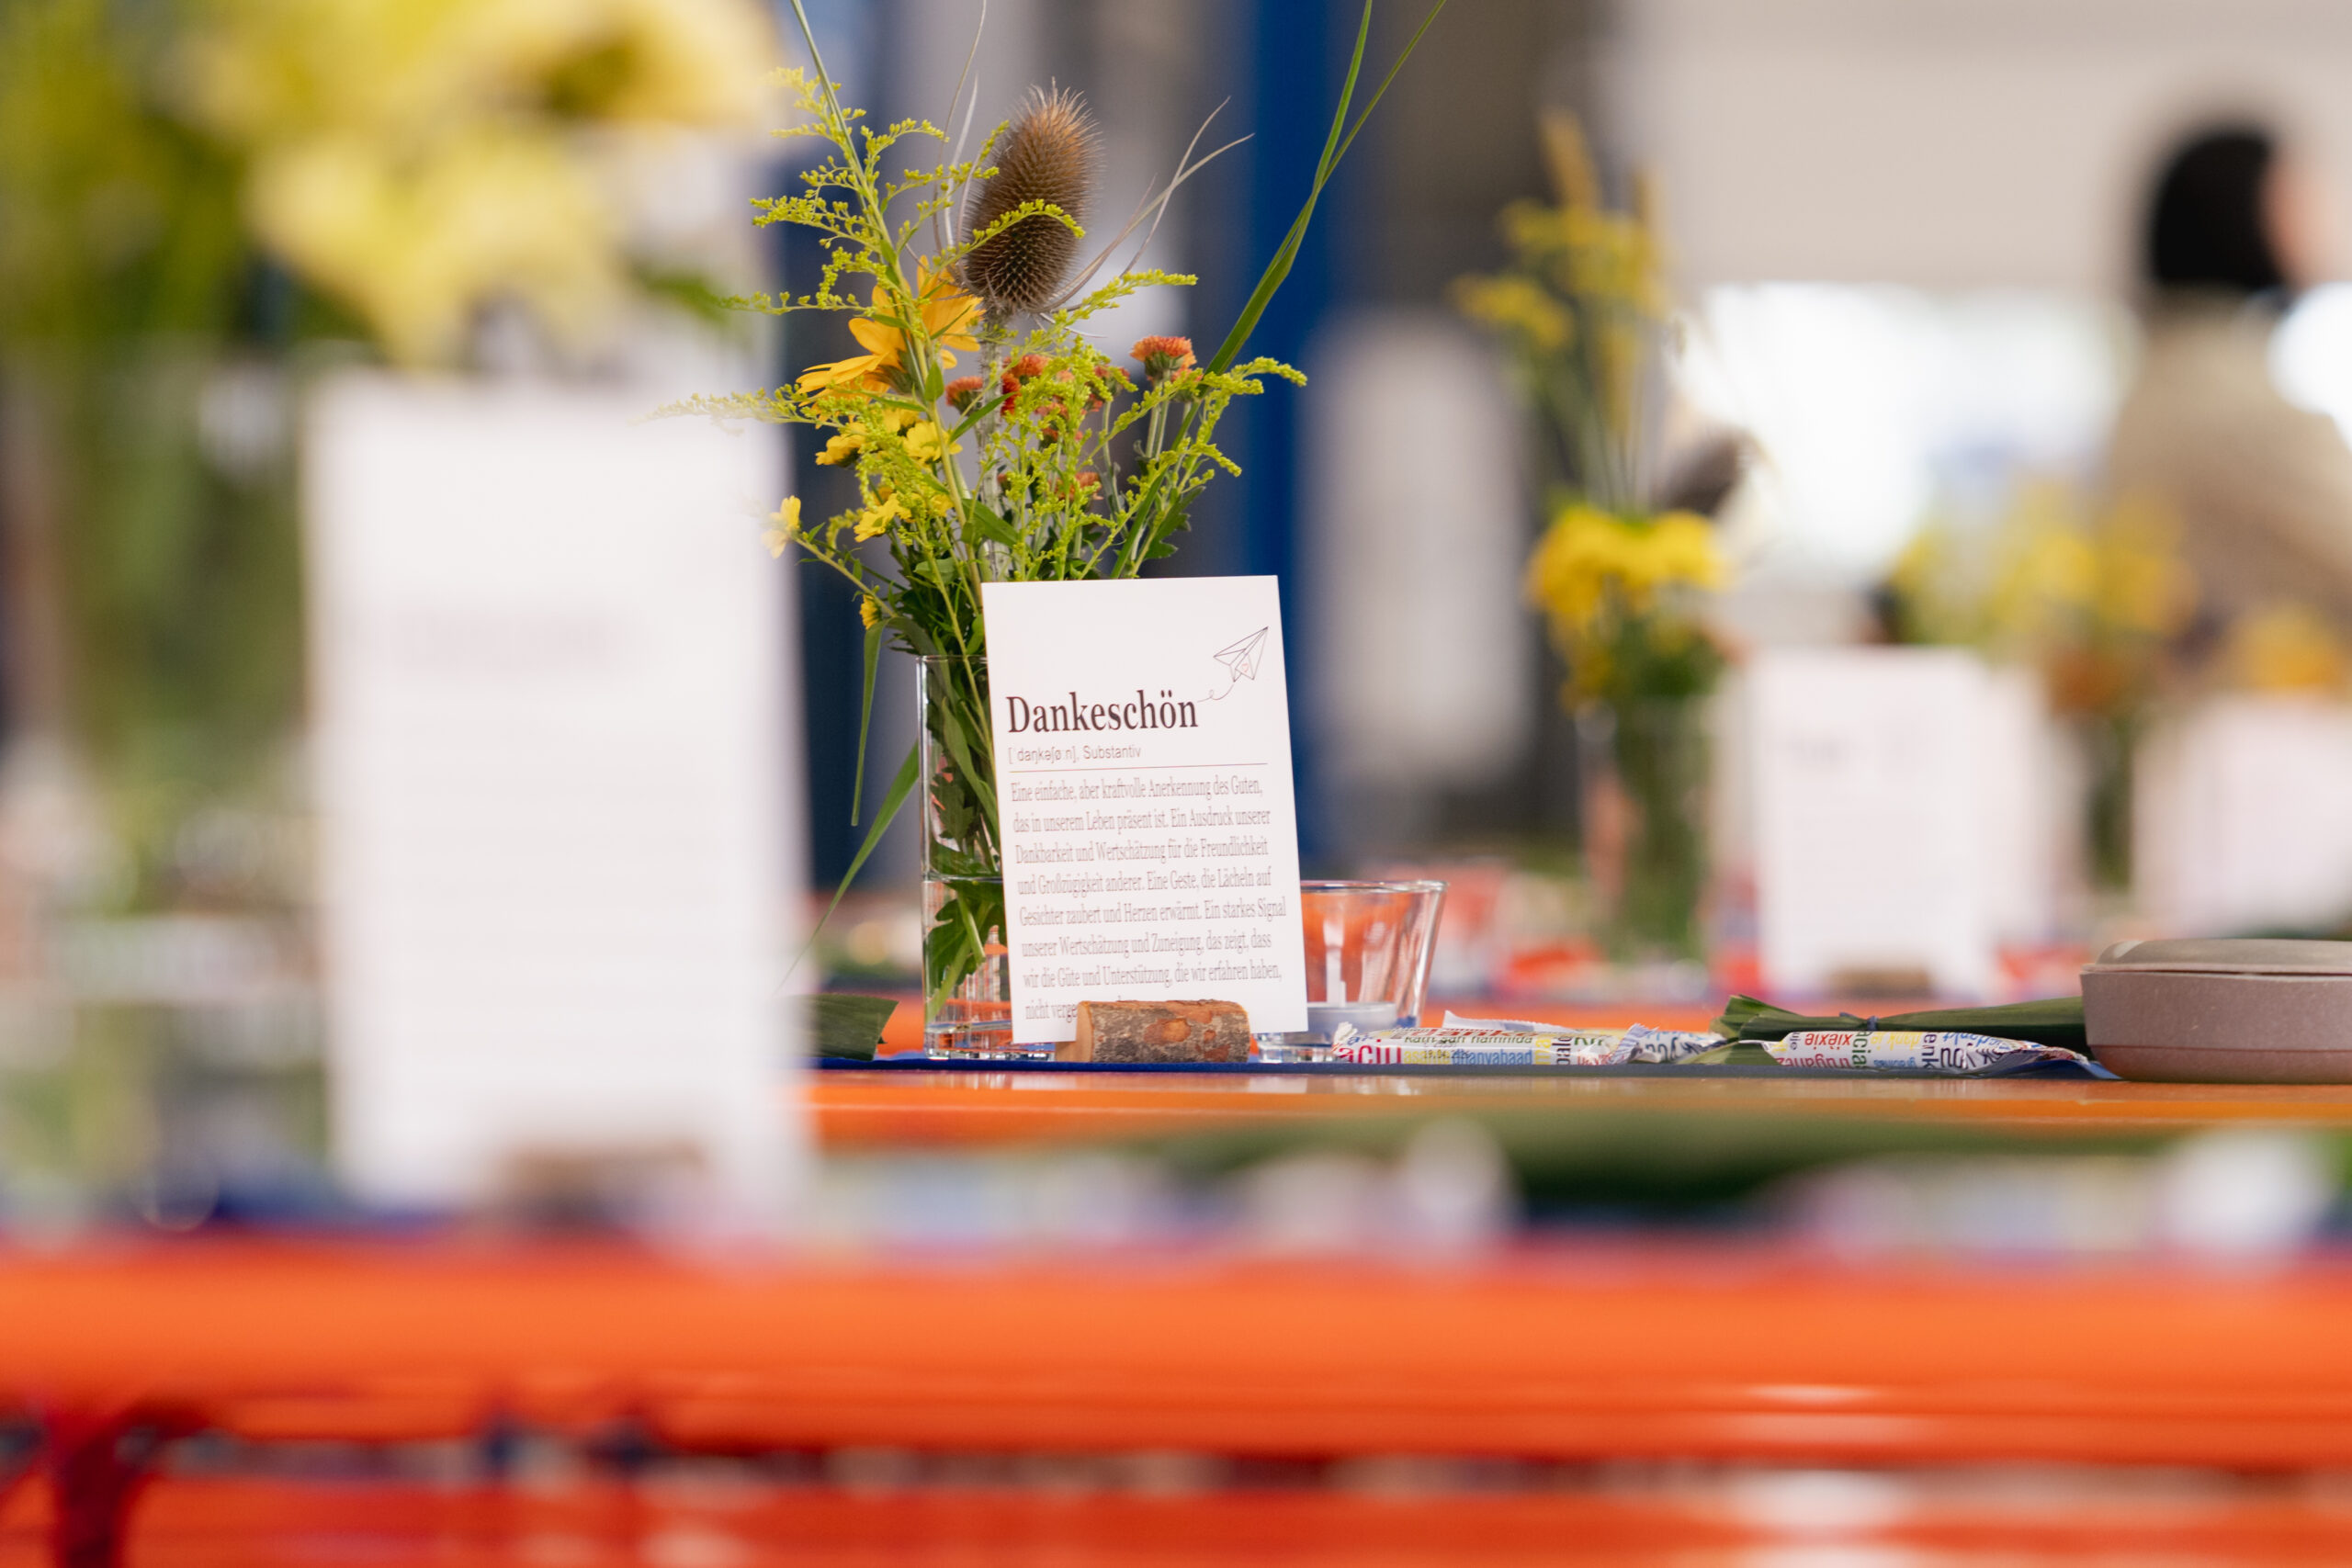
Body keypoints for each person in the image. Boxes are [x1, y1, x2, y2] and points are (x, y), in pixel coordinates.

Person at [2107, 123, 2352, 634]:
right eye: (2297, 202)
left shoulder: (2161, 375)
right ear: (2246, 214)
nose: (2323, 226)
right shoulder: (2230, 400)